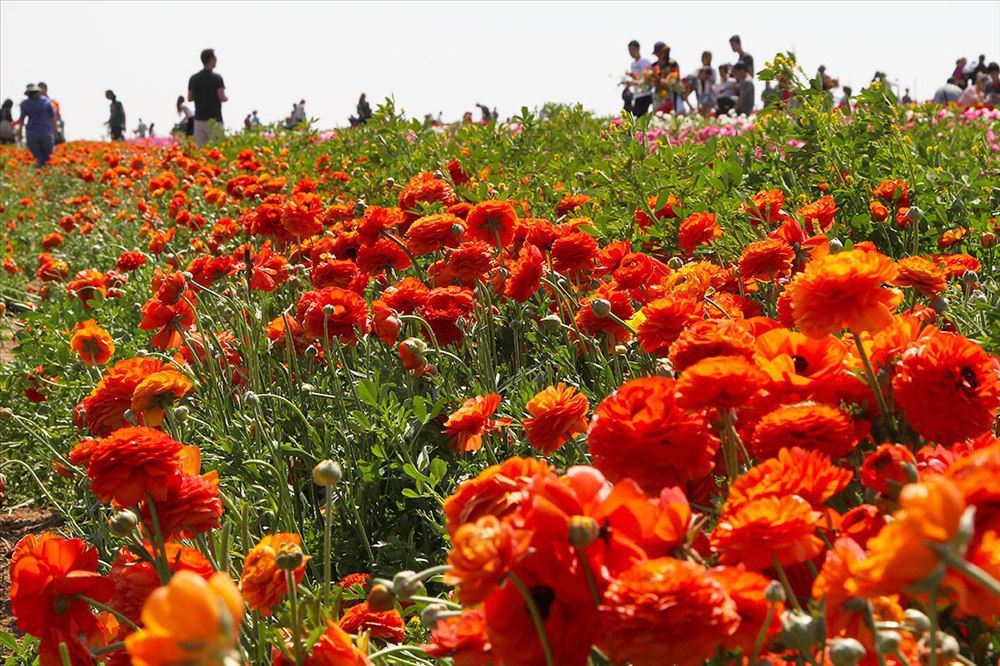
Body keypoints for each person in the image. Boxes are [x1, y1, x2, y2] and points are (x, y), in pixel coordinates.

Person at [187, 48, 227, 147]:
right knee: (217, 149)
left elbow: (190, 98)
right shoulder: (217, 78)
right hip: (214, 120)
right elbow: (222, 97)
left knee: (201, 150)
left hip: (199, 119)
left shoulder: (193, 78)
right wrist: (227, 98)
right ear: (211, 59)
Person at [16, 84, 56, 167]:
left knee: (36, 157)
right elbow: (53, 117)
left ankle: (39, 171)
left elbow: (21, 120)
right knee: (48, 156)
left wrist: (19, 133)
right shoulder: (47, 101)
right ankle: (46, 171)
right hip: (46, 131)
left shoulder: (25, 104)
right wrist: (55, 130)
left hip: (32, 132)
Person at [625, 39, 653, 116]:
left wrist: (632, 82)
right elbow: (635, 78)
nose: (631, 53)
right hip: (637, 95)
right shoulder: (632, 64)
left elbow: (647, 79)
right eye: (629, 51)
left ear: (638, 49)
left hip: (646, 94)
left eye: (632, 50)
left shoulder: (645, 62)